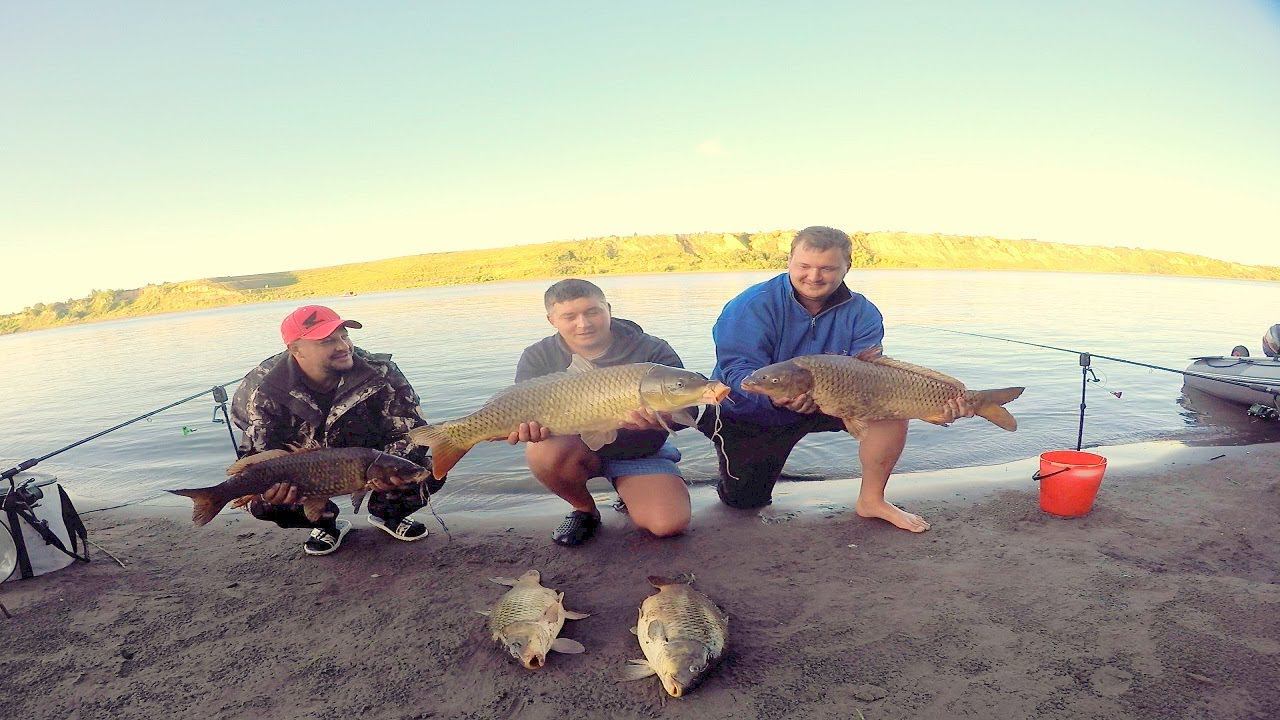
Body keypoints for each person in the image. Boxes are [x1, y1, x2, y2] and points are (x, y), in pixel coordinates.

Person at [698, 226, 972, 533]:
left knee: (890, 410)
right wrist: (774, 399)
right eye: (804, 266)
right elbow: (737, 372)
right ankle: (725, 457)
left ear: (847, 267)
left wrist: (931, 408)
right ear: (789, 261)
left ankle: (872, 501)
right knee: (745, 501)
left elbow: (872, 374)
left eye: (827, 268)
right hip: (755, 410)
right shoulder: (751, 305)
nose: (813, 276)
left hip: (836, 399)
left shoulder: (863, 312)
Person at [231, 305, 441, 556]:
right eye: (327, 341)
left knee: (432, 468)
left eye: (344, 336)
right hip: (302, 471)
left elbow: (413, 432)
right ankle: (326, 524)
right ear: (296, 350)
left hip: (368, 459)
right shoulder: (262, 387)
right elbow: (256, 453)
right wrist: (271, 490)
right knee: (262, 501)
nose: (343, 346)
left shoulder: (380, 371)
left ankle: (388, 515)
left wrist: (389, 471)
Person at [507, 279, 692, 546]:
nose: (583, 324)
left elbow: (688, 412)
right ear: (552, 320)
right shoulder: (538, 356)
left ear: (608, 309)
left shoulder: (652, 350)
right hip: (575, 450)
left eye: (592, 312)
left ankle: (630, 490)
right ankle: (584, 509)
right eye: (569, 317)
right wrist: (527, 430)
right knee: (540, 451)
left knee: (668, 524)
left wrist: (658, 422)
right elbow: (524, 412)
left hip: (640, 451)